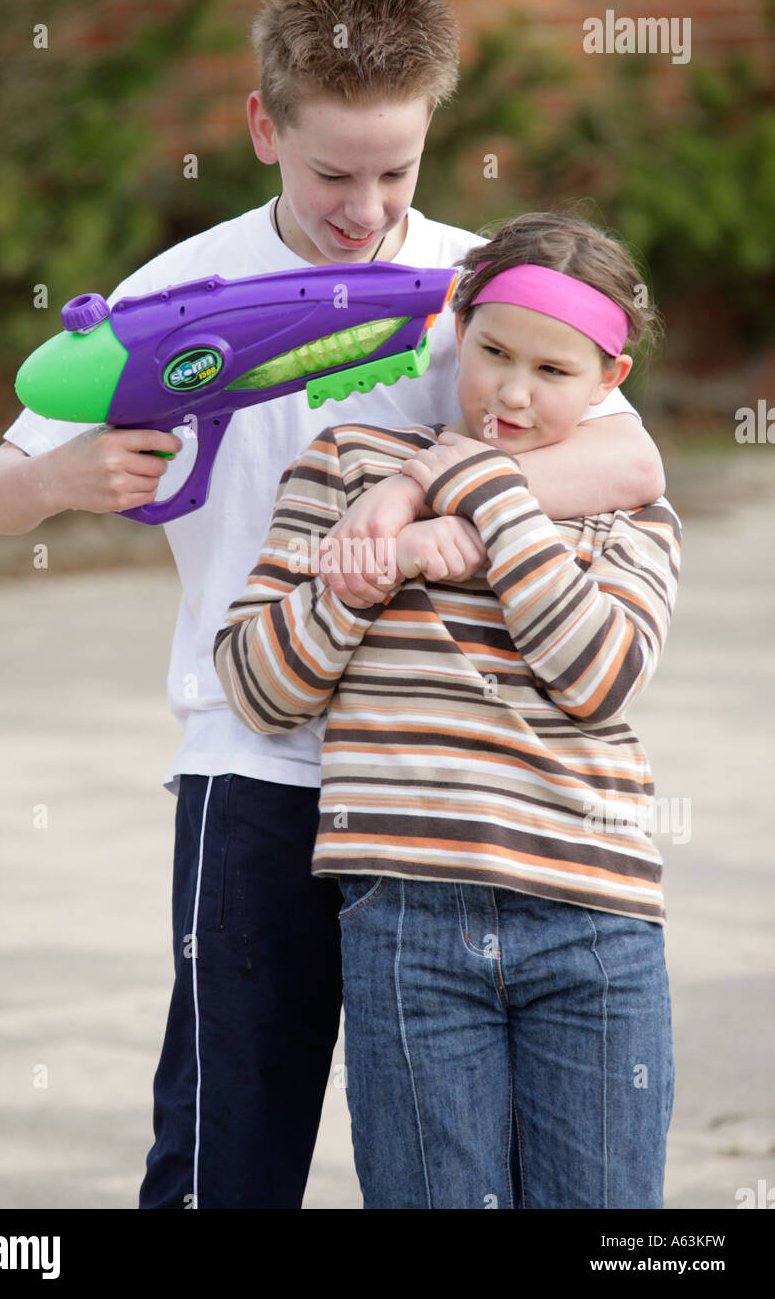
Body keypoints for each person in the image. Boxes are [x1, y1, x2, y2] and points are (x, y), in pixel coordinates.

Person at [0, 0, 665, 1210]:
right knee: (225, 1147)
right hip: (255, 766)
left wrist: (415, 498)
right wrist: (70, 475)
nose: (364, 208)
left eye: (394, 173)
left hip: (445, 784)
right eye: (331, 173)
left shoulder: (477, 293)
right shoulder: (169, 298)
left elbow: (628, 454)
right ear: (260, 126)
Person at [213, 210, 682, 1209]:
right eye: (492, 351)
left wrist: (472, 491)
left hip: (590, 920)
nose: (511, 392)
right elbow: (257, 688)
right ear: (455, 328)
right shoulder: (346, 464)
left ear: (609, 382)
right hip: (404, 918)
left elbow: (594, 677)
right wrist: (364, 578)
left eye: (553, 372)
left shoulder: (626, 507)